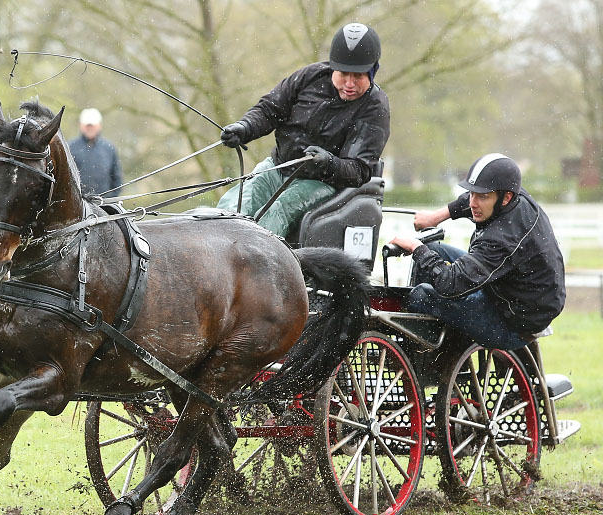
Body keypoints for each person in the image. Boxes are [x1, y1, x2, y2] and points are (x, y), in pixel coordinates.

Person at [217, 22, 390, 239]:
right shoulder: (310, 76)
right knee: (235, 204)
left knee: (276, 212)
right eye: (343, 74)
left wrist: (329, 162)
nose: (349, 83)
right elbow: (270, 109)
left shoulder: (374, 107)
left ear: (372, 72)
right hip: (277, 167)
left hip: (321, 183)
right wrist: (245, 127)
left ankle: (255, 265)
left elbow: (359, 170)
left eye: (358, 76)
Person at [389, 154, 566, 349]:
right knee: (434, 250)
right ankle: (428, 339)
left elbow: (450, 283)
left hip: (513, 323)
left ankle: (421, 354)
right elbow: (474, 198)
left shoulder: (501, 239)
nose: (473, 203)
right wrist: (436, 217)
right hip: (505, 289)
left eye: (482, 197)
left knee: (421, 294)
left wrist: (417, 249)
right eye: (472, 193)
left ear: (506, 197)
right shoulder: (513, 197)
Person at [68, 108, 123, 198]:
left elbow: (117, 179)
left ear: (99, 126)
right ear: (80, 125)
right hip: (78, 205)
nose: (90, 128)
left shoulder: (109, 148)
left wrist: (112, 199)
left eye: (92, 125)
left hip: (105, 204)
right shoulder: (69, 147)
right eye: (87, 126)